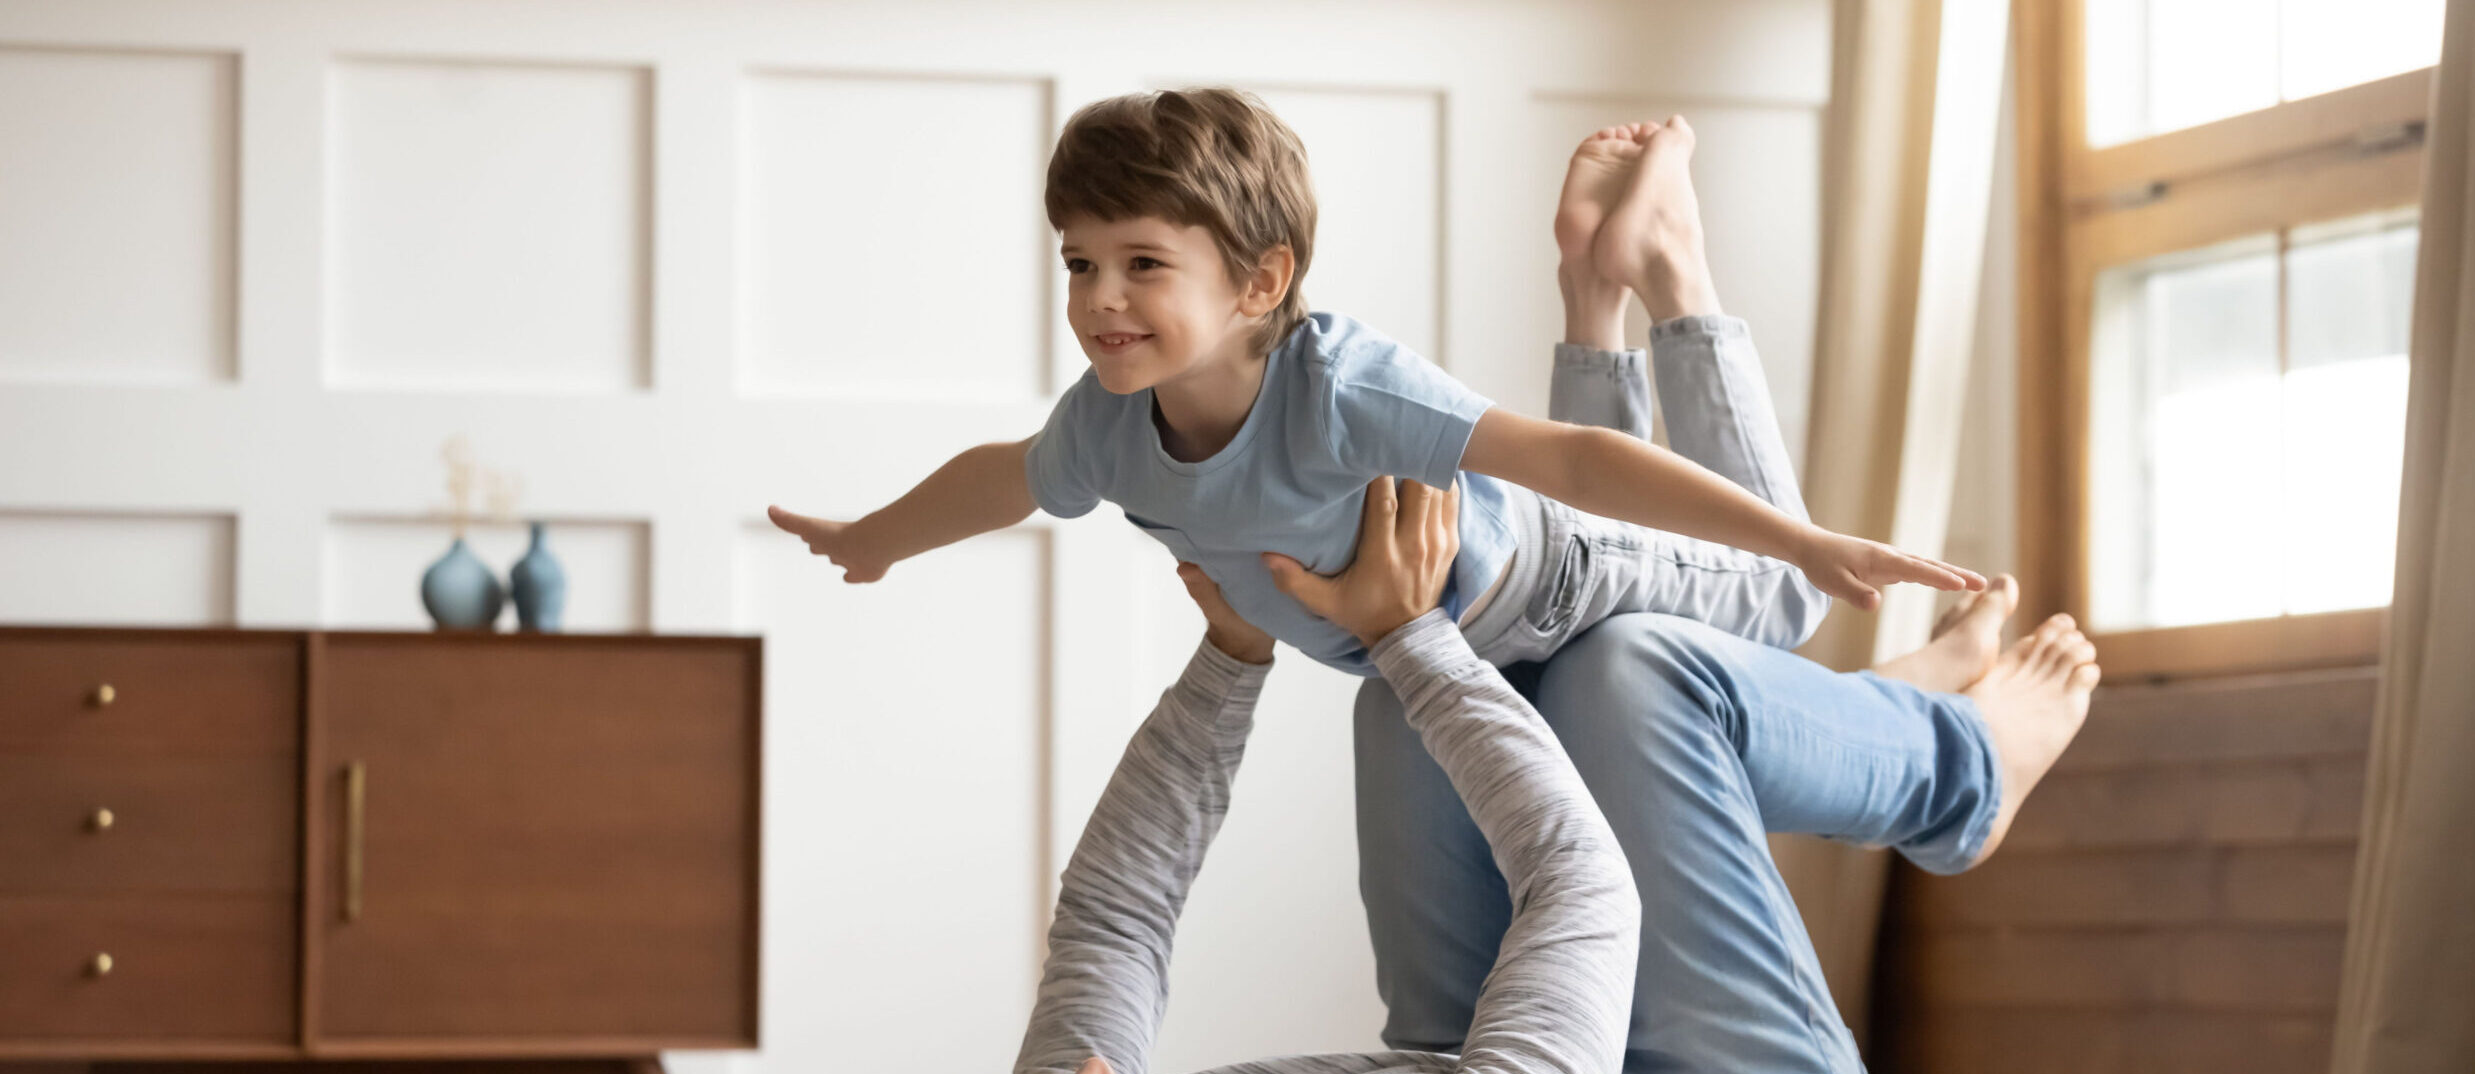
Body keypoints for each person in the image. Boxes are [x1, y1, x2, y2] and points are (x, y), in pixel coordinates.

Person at [882, 470, 2096, 1074]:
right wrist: (1410, 633)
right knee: (1630, 677)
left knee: (1409, 713)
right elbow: (1583, 886)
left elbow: (1115, 918)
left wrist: (1230, 651)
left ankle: (1871, 706)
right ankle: (1960, 769)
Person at [767, 90, 1983, 687]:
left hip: (1549, 580)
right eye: (1080, 262)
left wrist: (1803, 537)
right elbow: (1010, 476)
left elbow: (1562, 460)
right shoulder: (1106, 426)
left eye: (1143, 265)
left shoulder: (1337, 384)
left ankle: (1670, 272)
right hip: (1459, 642)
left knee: (1784, 608)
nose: (1099, 298)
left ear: (1259, 281)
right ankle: (1597, 282)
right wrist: (878, 538)